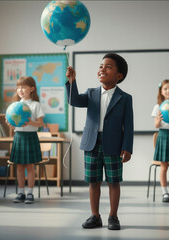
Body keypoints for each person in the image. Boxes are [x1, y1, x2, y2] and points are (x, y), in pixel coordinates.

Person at [66, 53, 133, 230]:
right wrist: (72, 81)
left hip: (114, 145)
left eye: (108, 67)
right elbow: (73, 100)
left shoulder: (125, 98)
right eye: (101, 66)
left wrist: (127, 147)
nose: (102, 69)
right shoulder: (91, 93)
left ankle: (113, 216)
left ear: (119, 76)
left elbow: (129, 125)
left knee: (113, 181)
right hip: (92, 143)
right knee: (93, 181)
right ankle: (95, 216)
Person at [7, 76, 44, 204]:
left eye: (23, 87)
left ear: (32, 88)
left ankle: (30, 193)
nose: (20, 90)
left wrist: (31, 122)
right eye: (18, 87)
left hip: (31, 137)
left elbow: (40, 123)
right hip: (18, 136)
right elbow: (14, 124)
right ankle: (21, 192)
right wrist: (11, 124)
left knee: (30, 167)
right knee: (19, 167)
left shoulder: (35, 105)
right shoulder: (14, 106)